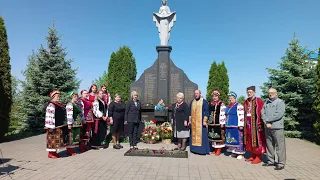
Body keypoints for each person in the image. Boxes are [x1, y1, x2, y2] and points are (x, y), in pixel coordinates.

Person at [261, 88, 286, 170]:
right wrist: (265, 121)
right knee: (269, 145)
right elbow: (262, 112)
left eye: (272, 93)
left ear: (276, 93)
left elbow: (279, 114)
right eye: (269, 93)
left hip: (277, 127)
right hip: (267, 127)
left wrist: (267, 120)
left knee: (280, 145)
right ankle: (271, 161)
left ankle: (281, 163)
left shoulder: (280, 102)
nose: (270, 94)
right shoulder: (266, 102)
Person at [244, 86, 266, 164]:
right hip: (248, 124)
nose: (249, 93)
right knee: (250, 140)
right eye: (248, 92)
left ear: (254, 92)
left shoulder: (258, 101)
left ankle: (258, 156)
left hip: (256, 124)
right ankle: (252, 155)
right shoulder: (246, 101)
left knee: (257, 140)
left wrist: (260, 123)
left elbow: (261, 112)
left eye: (250, 92)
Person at [45, 90, 68, 158]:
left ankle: (54, 152)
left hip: (59, 125)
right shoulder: (51, 105)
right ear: (53, 97)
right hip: (53, 125)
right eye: (57, 97)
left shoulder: (58, 105)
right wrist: (50, 126)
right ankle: (50, 153)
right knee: (52, 139)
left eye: (59, 96)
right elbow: (49, 116)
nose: (58, 98)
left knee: (57, 140)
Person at [189, 90, 210, 155]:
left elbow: (206, 111)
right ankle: (194, 149)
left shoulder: (204, 101)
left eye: (197, 93)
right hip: (193, 123)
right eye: (195, 93)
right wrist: (189, 120)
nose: (196, 94)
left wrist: (205, 120)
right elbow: (190, 112)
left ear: (200, 94)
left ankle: (202, 150)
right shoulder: (192, 102)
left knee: (202, 136)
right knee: (193, 135)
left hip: (201, 122)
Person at [225, 91, 245, 159]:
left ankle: (240, 153)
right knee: (231, 139)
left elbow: (241, 116)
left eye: (231, 98)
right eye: (229, 98)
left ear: (235, 98)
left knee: (238, 139)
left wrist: (241, 125)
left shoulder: (239, 106)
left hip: (236, 125)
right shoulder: (228, 106)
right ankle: (234, 152)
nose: (230, 99)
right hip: (229, 125)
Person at [208, 89, 226, 156]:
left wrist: (222, 123)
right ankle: (215, 149)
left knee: (219, 137)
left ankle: (218, 150)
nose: (214, 97)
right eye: (213, 96)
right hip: (211, 123)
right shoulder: (210, 103)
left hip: (218, 123)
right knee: (213, 136)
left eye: (216, 96)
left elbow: (223, 114)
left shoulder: (221, 104)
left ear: (218, 96)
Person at [65, 90, 83, 156]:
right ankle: (69, 150)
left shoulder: (77, 104)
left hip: (77, 123)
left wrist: (82, 119)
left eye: (77, 96)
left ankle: (71, 148)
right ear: (71, 97)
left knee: (75, 136)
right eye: (74, 96)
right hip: (73, 123)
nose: (76, 98)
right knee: (71, 136)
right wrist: (69, 123)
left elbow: (81, 113)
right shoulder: (70, 104)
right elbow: (69, 114)